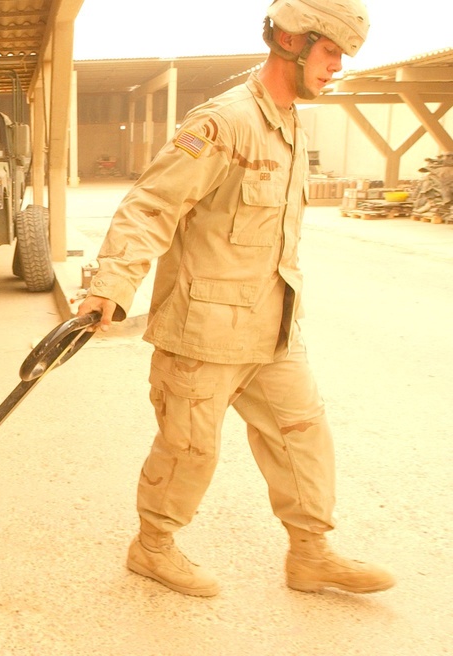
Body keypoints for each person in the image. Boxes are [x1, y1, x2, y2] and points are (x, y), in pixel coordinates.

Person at [77, 0, 395, 597]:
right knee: (190, 449)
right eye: (330, 53)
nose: (336, 68)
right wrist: (110, 287)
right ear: (293, 42)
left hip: (273, 327)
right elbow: (152, 205)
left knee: (302, 433)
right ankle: (152, 548)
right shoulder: (223, 124)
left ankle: (311, 553)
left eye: (342, 58)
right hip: (204, 332)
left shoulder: (293, 123)